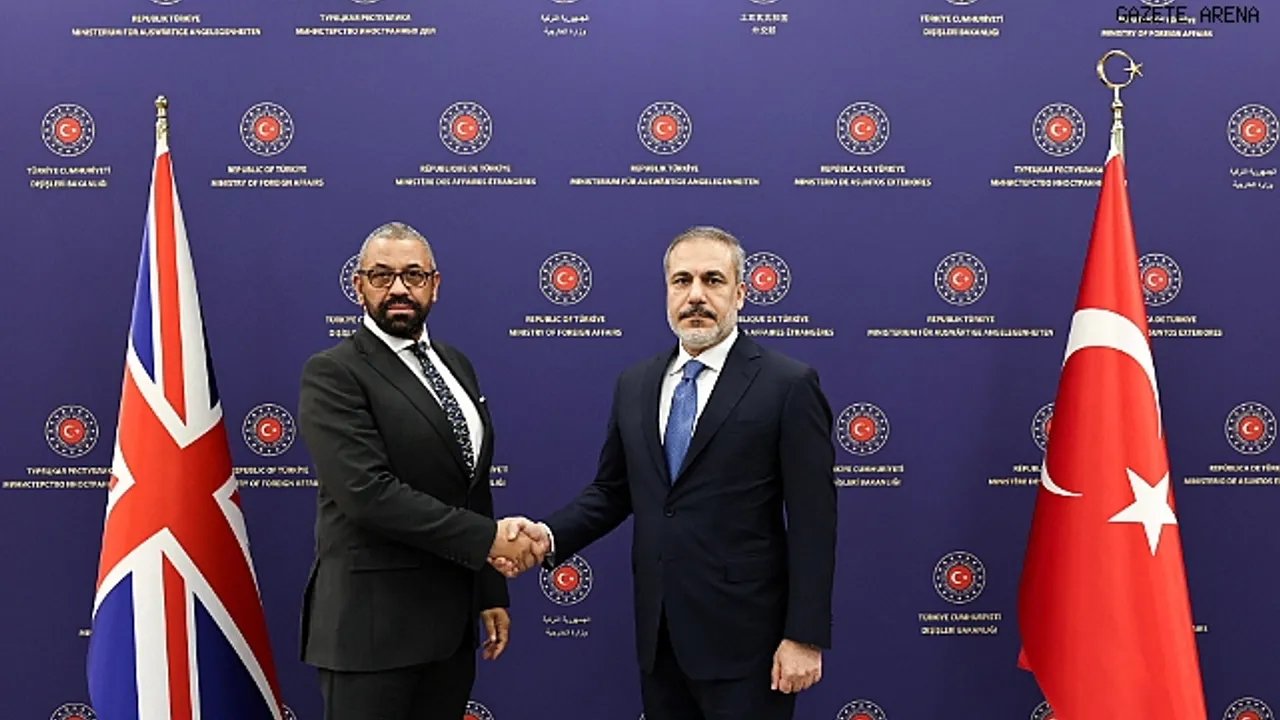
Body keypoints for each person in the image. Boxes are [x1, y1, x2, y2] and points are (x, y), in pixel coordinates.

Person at [507, 225, 838, 720]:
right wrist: (548, 536)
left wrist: (804, 637)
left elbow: (814, 520)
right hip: (660, 641)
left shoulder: (788, 384)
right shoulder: (636, 383)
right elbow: (612, 491)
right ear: (667, 291)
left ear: (740, 294)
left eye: (713, 280)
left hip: (750, 648)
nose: (696, 295)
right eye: (682, 281)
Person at [296, 221, 538, 720]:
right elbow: (367, 494)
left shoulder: (455, 364)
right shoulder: (334, 372)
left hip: (448, 632)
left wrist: (488, 589)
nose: (399, 288)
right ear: (358, 285)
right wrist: (489, 539)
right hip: (370, 635)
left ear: (435, 284)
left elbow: (471, 485)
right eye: (381, 276)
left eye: (413, 275)